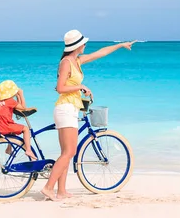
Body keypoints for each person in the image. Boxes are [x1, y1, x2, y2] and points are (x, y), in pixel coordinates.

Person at [40, 30, 136, 201]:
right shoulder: (66, 62)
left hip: (70, 108)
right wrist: (80, 87)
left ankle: (61, 191)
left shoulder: (77, 61)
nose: (85, 45)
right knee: (69, 152)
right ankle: (48, 187)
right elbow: (60, 88)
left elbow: (100, 53)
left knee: (66, 153)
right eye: (83, 43)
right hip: (65, 109)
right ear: (77, 45)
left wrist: (121, 45)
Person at [0, 80, 36, 160]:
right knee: (26, 129)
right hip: (3, 125)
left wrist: (17, 96)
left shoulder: (0, 102)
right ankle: (28, 150)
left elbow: (16, 106)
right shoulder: (10, 101)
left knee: (12, 131)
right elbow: (23, 108)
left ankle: (9, 149)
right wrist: (21, 94)